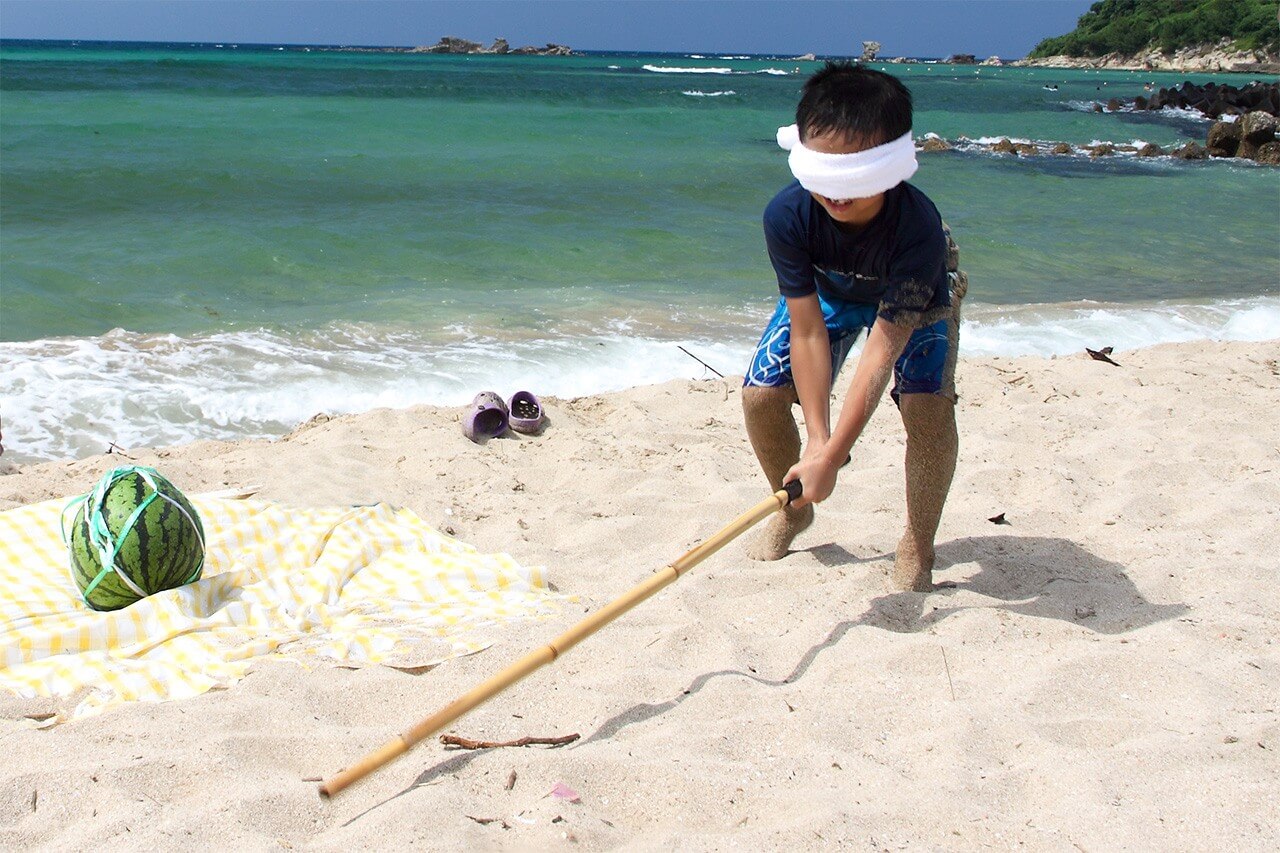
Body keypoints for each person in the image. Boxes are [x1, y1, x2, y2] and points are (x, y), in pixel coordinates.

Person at [741, 61, 966, 592]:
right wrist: (817, 443)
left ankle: (918, 541)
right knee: (760, 396)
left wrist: (836, 456)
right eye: (826, 177)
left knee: (927, 409)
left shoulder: (919, 229)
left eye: (856, 178)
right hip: (832, 294)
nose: (837, 195)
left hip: (916, 299)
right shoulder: (788, 215)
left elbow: (880, 354)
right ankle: (795, 509)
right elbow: (807, 329)